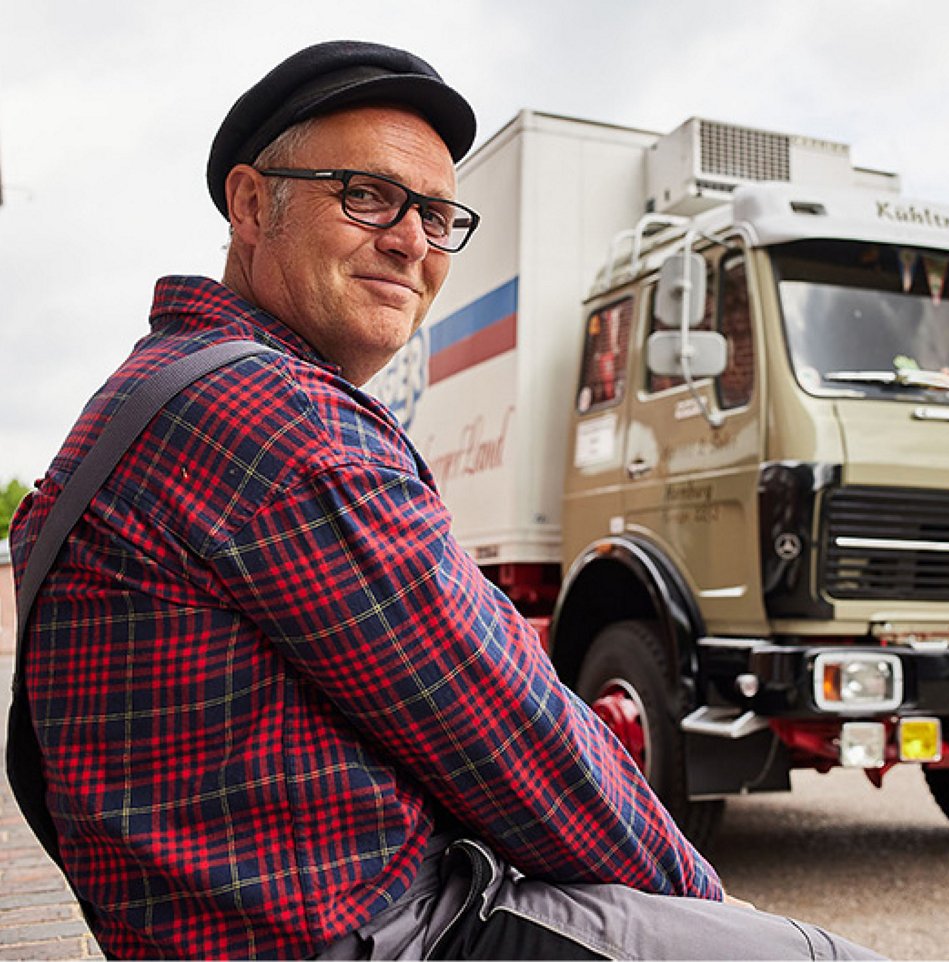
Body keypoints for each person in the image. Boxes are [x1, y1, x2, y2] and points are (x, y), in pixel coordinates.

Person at [8, 41, 879, 960]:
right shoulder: (281, 420)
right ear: (253, 203)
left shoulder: (159, 388)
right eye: (368, 196)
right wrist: (714, 907)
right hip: (373, 931)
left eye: (435, 215)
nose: (412, 241)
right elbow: (515, 739)